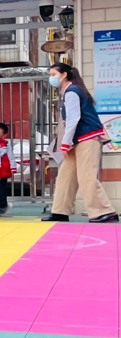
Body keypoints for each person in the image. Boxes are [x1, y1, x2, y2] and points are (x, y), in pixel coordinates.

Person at [47, 62, 118, 223]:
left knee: (87, 176)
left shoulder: (72, 91)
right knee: (65, 176)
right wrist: (67, 142)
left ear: (64, 75)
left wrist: (65, 143)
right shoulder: (68, 91)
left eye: (53, 75)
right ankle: (60, 211)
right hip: (77, 139)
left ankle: (104, 211)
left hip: (88, 138)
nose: (51, 78)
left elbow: (73, 119)